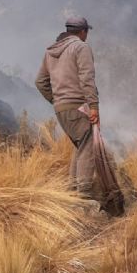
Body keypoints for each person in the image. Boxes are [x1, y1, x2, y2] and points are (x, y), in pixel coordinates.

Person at [35, 16, 99, 198]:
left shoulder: (51, 51)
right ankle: (84, 193)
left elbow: (40, 82)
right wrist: (93, 106)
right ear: (82, 32)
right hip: (78, 106)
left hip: (61, 109)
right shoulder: (81, 47)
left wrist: (56, 100)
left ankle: (71, 190)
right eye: (87, 32)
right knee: (89, 145)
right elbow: (87, 79)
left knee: (81, 145)